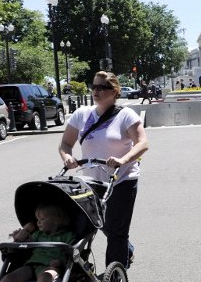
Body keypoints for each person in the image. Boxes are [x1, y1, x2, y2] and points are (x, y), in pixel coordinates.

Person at [59, 71, 149, 269]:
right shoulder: (81, 114)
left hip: (122, 179)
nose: (96, 91)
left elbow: (142, 143)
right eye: (94, 87)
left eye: (102, 87)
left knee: (117, 230)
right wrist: (67, 157)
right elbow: (65, 143)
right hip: (92, 182)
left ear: (115, 91)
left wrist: (122, 159)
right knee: (101, 224)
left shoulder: (126, 115)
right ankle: (127, 249)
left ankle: (115, 281)